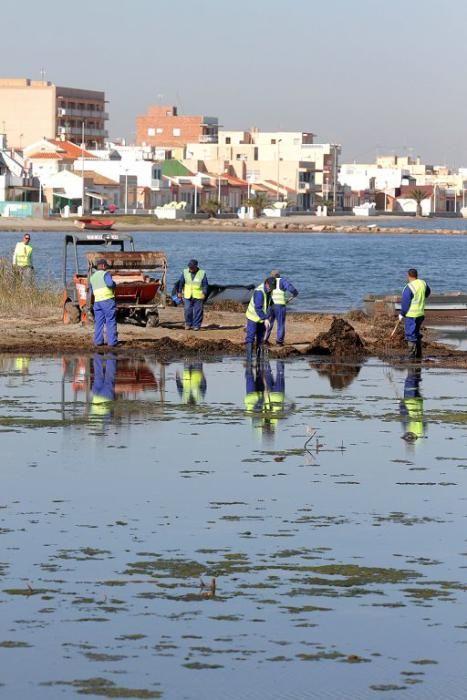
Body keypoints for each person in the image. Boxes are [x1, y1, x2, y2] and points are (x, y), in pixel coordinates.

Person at [399, 268, 431, 360]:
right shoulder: (423, 283)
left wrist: (402, 314)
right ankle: (418, 354)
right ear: (417, 275)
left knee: (410, 335)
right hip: (420, 314)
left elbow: (405, 303)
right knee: (416, 333)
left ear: (408, 276)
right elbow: (428, 292)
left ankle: (412, 356)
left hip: (411, 315)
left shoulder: (409, 287)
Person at [245, 276, 275, 362]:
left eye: (273, 288)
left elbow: (270, 302)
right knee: (250, 337)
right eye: (270, 287)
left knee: (260, 337)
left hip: (262, 318)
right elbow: (258, 308)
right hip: (253, 318)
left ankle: (258, 358)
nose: (271, 289)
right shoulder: (259, 292)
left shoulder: (270, 290)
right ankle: (249, 359)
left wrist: (269, 313)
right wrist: (265, 318)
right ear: (266, 284)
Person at [90, 258, 118, 347]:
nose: (106, 267)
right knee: (110, 320)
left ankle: (98, 341)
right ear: (102, 266)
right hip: (107, 300)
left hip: (97, 302)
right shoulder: (105, 274)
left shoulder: (92, 277)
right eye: (106, 266)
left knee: (99, 322)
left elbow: (91, 288)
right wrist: (114, 284)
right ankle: (112, 342)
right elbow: (110, 284)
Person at [266, 269, 299, 345]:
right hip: (280, 306)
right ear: (279, 275)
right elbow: (291, 289)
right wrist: (295, 293)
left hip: (271, 305)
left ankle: (264, 339)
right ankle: (279, 341)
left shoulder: (269, 282)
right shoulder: (282, 281)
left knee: (268, 323)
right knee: (280, 324)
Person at [176, 259, 208, 331]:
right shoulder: (185, 272)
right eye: (189, 267)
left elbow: (205, 285)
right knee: (187, 310)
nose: (190, 269)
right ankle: (188, 324)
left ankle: (196, 325)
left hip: (198, 295)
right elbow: (181, 282)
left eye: (192, 267)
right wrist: (179, 292)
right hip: (187, 295)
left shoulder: (202, 273)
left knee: (198, 311)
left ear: (196, 266)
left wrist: (204, 293)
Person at [400, 368, 425, 442]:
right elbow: (404, 413)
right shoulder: (408, 428)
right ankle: (413, 362)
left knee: (415, 381)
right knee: (410, 381)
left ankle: (417, 363)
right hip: (410, 401)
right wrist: (401, 404)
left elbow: (425, 423)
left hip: (419, 402)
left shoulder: (420, 434)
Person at [91, 353, 117, 420]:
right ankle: (98, 350)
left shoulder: (106, 420)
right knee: (98, 374)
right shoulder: (95, 421)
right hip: (96, 397)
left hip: (106, 397)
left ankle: (111, 350)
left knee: (109, 376)